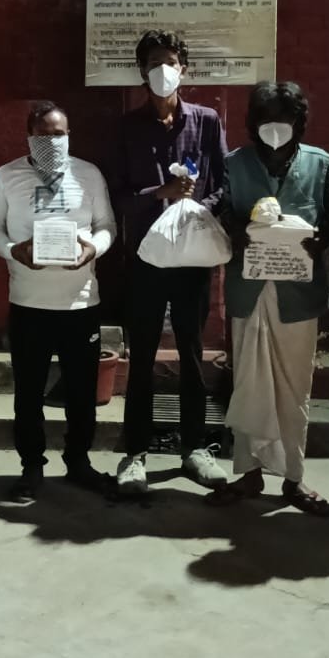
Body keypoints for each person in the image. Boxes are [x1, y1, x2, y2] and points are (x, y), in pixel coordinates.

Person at [209, 81, 329, 515]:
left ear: (299, 123)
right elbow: (220, 212)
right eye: (266, 121)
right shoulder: (234, 163)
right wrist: (237, 230)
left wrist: (321, 240)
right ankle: (249, 473)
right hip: (249, 291)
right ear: (253, 124)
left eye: (285, 121)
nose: (275, 129)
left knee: (294, 388)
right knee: (248, 382)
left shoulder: (321, 164)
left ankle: (294, 478)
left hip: (298, 295)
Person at [111, 30, 230, 495]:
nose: (164, 70)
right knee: (141, 355)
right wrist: (158, 194)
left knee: (192, 353)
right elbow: (119, 196)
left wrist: (198, 208)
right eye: (154, 63)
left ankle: (195, 448)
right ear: (142, 72)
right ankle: (135, 453)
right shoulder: (127, 127)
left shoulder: (206, 121)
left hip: (194, 259)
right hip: (146, 257)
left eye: (171, 61)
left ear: (185, 68)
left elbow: (224, 184)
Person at [0, 101, 116, 501]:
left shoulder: (88, 174)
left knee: (82, 393)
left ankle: (79, 462)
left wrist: (92, 249)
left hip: (80, 304)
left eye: (58, 134)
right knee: (28, 393)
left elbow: (106, 226)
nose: (51, 141)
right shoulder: (6, 176)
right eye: (43, 134)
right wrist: (13, 251)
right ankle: (31, 467)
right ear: (29, 136)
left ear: (69, 135)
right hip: (29, 303)